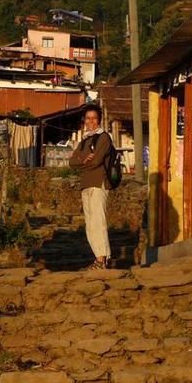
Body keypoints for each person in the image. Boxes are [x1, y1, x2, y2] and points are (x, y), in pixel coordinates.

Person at [69, 104, 112, 270]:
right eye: (88, 118)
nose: (91, 121)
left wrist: (83, 161)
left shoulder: (104, 138)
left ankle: (102, 259)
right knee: (90, 224)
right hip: (85, 184)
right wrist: (83, 160)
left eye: (94, 118)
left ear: (99, 120)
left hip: (98, 182)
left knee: (98, 221)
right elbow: (72, 161)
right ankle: (98, 258)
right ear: (84, 121)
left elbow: (96, 161)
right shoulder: (85, 140)